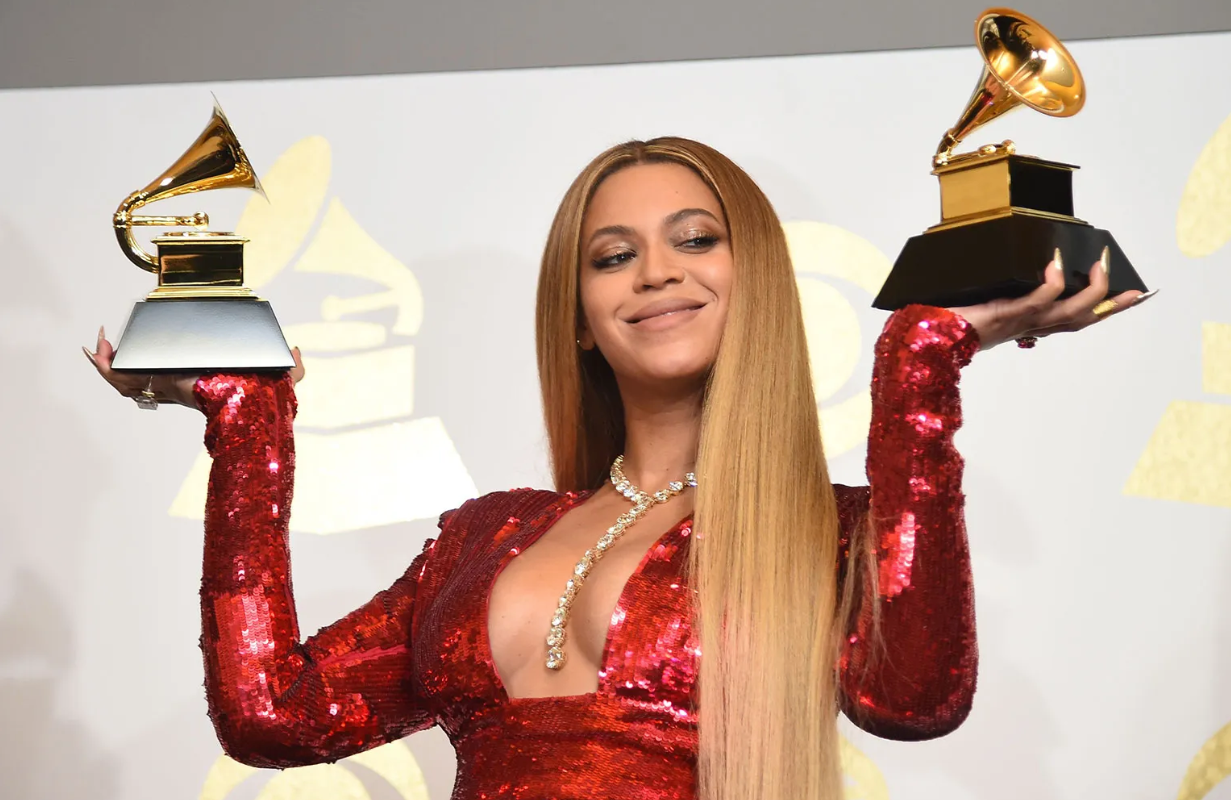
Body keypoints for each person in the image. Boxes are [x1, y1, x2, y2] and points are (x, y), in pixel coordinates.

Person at [86, 137, 1153, 800]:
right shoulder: (483, 533)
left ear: (757, 283)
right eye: (612, 254)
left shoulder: (828, 530)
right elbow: (274, 712)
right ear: (583, 316)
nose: (656, 271)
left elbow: (916, 698)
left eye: (697, 238)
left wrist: (919, 364)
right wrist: (249, 424)